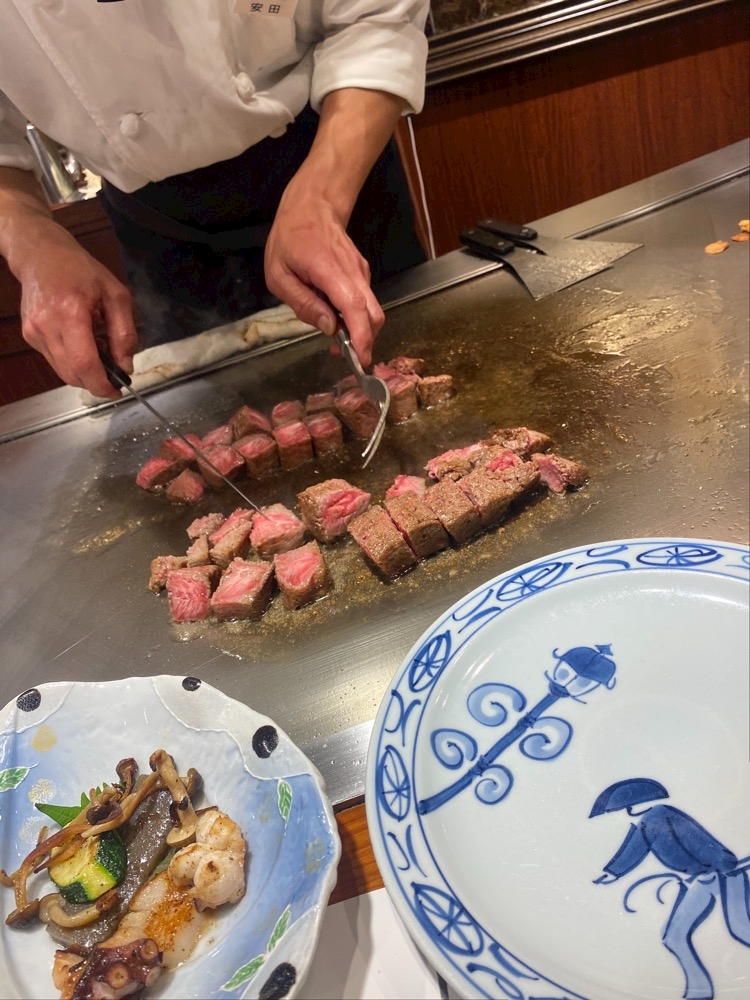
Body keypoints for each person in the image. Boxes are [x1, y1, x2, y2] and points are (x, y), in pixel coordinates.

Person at [0, 2, 429, 400]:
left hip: (334, 159)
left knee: (404, 372)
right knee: (207, 421)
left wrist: (323, 197)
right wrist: (33, 242)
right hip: (162, 238)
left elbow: (375, 16)